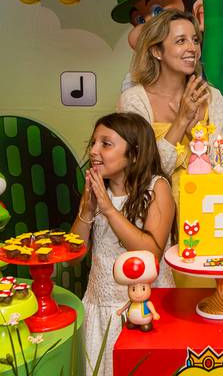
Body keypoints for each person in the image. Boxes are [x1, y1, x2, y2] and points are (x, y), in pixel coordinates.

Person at [117, 9, 223, 288]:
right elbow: (144, 172)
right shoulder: (134, 100)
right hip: (153, 220)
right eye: (180, 41)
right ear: (157, 51)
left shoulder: (212, 98)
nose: (192, 48)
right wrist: (181, 120)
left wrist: (196, 131)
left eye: (195, 40)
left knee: (204, 300)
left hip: (204, 219)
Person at [71, 112, 175, 376]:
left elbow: (150, 253)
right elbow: (75, 255)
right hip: (101, 306)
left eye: (106, 144)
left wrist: (108, 209)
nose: (94, 151)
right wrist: (87, 210)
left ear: (135, 154)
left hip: (145, 308)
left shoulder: (157, 188)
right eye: (93, 142)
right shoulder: (98, 192)